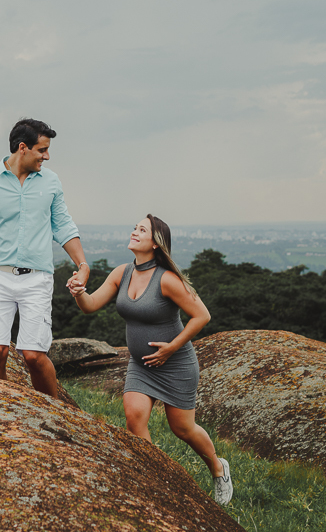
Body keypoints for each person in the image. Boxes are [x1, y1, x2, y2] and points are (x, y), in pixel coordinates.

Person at [66, 214, 233, 505]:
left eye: (141, 230)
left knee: (182, 428)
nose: (134, 232)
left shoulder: (167, 280)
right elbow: (90, 306)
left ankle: (218, 468)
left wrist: (171, 348)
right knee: (134, 417)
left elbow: (202, 315)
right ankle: (154, 480)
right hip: (141, 366)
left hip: (176, 365)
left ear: (156, 243)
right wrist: (79, 293)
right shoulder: (121, 273)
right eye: (135, 227)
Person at [0, 118, 89, 399]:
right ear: (22, 148)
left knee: (34, 355)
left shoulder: (51, 181)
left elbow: (63, 226)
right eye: (42, 150)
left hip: (37, 278)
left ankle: (57, 413)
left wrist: (82, 265)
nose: (47, 156)